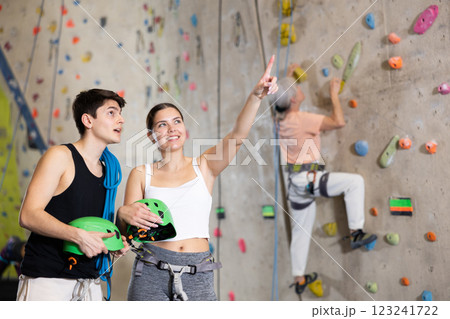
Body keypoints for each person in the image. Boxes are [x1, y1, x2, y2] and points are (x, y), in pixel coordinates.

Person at [117, 56, 278, 301]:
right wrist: (123, 214)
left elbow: (238, 134)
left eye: (176, 121)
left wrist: (256, 96)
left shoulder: (205, 165)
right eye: (162, 125)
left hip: (198, 272)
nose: (171, 128)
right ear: (151, 136)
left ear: (184, 128)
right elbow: (126, 235)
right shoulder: (141, 174)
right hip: (150, 272)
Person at [269, 64, 377, 297]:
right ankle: (356, 231)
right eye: (296, 89)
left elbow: (282, 100)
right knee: (354, 183)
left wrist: (289, 76)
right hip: (308, 178)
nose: (299, 89)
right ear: (295, 99)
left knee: (301, 231)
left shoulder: (280, 121)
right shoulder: (303, 119)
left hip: (294, 185)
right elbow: (338, 122)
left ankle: (299, 278)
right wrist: (333, 96)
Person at [17, 89, 129, 301]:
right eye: (112, 113)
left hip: (89, 282)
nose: (121, 120)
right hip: (47, 279)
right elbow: (28, 215)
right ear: (88, 120)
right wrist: (79, 236)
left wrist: (111, 243)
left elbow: (91, 226)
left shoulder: (109, 170)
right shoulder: (60, 156)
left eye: (120, 113)